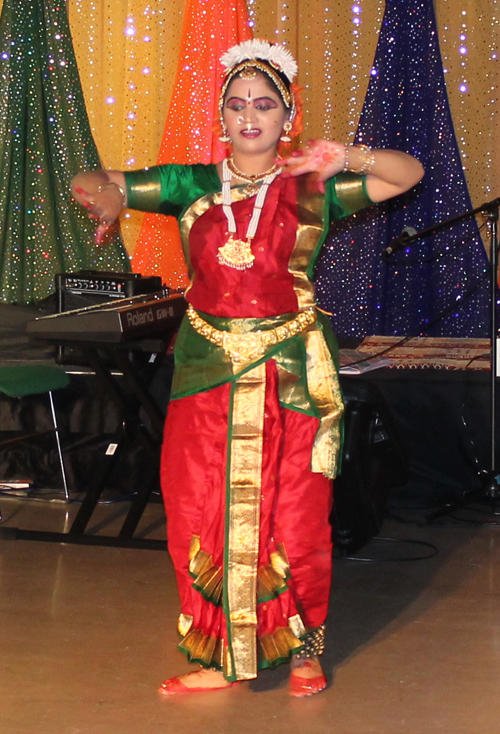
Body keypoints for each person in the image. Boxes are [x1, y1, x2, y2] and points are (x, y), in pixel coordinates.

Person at [72, 39, 424, 697]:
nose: (249, 116)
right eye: (236, 106)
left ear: (287, 117)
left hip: (291, 376)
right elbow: (91, 180)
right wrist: (108, 198)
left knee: (296, 519)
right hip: (207, 376)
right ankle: (215, 656)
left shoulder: (313, 188)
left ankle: (303, 653)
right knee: (199, 514)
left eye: (264, 105)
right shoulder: (192, 185)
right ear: (223, 119)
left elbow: (409, 174)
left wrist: (342, 155)